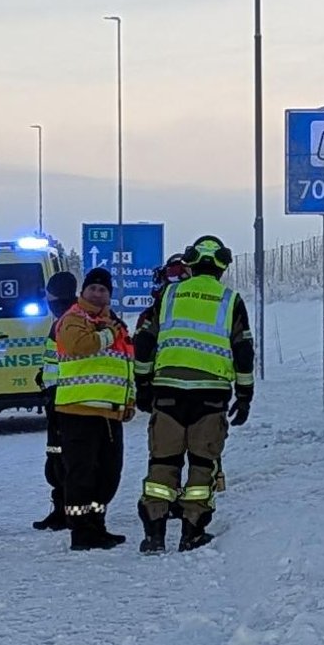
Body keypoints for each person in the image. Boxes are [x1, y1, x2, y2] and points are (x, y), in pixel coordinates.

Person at [132, 235, 254, 553]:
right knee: (203, 463)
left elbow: (144, 343)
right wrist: (245, 395)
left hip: (168, 391)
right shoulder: (230, 300)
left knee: (163, 462)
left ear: (191, 261)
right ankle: (192, 533)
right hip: (211, 396)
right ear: (222, 265)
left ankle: (154, 535)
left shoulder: (169, 295)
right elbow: (244, 350)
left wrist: (142, 386)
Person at [55, 267, 137, 550]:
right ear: (83, 291)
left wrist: (129, 401)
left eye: (103, 290)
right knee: (81, 473)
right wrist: (107, 334)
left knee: (108, 475)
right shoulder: (74, 318)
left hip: (110, 412)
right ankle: (80, 531)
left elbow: (126, 364)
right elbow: (78, 345)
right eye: (93, 288)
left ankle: (98, 524)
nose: (98, 293)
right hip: (79, 411)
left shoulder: (115, 324)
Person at [32, 270, 81, 531]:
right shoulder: (64, 318)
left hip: (65, 398)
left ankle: (68, 511)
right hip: (57, 397)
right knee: (56, 455)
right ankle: (61, 508)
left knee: (63, 458)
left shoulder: (69, 319)